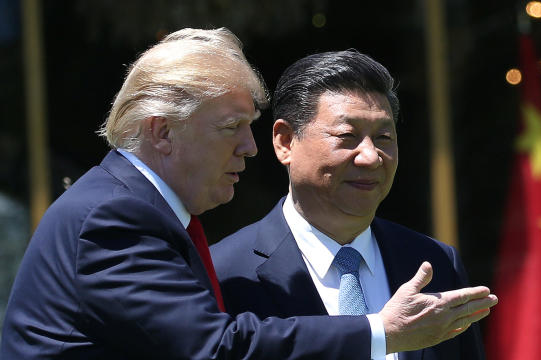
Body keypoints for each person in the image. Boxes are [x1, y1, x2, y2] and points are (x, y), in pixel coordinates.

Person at [1, 28, 497, 359]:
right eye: (231, 127)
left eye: (384, 137)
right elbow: (217, 349)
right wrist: (382, 331)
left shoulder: (431, 261)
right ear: (162, 132)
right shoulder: (117, 216)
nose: (248, 147)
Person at [211, 50, 492, 360]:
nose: (370, 157)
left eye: (384, 137)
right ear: (285, 142)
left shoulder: (433, 262)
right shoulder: (225, 273)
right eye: (347, 135)